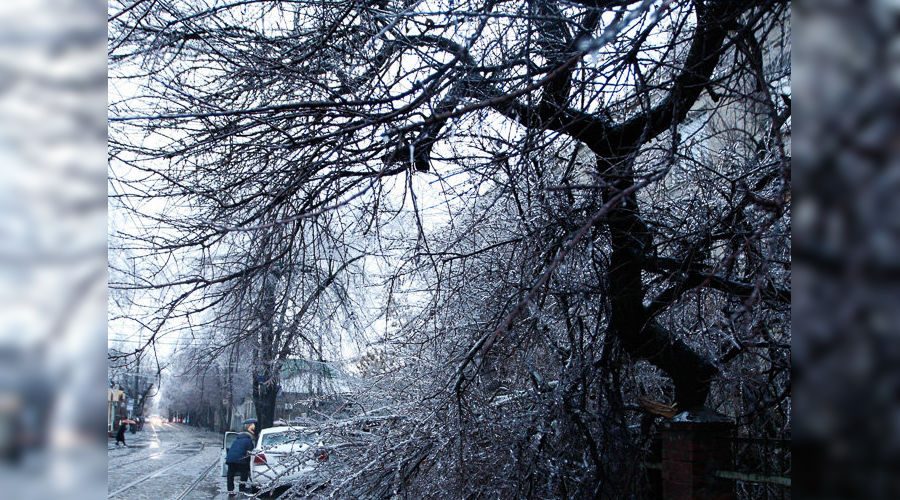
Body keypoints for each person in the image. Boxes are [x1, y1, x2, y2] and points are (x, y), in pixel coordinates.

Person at [225, 418, 257, 495]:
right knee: (244, 473)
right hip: (240, 460)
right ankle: (242, 488)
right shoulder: (248, 440)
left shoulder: (236, 440)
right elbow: (250, 452)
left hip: (230, 459)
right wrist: (249, 463)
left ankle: (230, 490)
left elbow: (231, 449)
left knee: (230, 475)